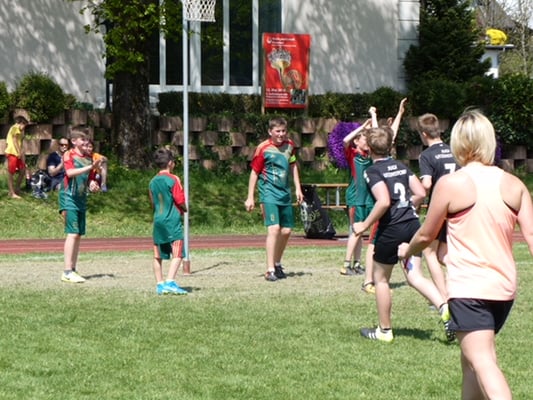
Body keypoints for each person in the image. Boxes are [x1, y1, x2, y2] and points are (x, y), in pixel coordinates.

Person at [398, 110, 533, 399]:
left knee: (482, 362)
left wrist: (406, 250)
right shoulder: (515, 185)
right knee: (471, 362)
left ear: (458, 142)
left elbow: (426, 235)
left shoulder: (451, 184)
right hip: (503, 290)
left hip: (470, 289)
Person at [353, 126, 452, 342]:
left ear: (369, 148)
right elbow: (421, 192)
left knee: (380, 279)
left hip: (391, 229)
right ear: (390, 146)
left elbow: (383, 201)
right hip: (412, 225)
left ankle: (384, 331)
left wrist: (364, 225)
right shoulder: (400, 166)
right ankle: (444, 308)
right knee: (415, 276)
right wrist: (407, 206)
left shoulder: (372, 171)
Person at [245, 117, 304, 281]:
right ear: (270, 131)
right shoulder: (263, 148)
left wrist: (298, 188)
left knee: (286, 231)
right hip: (268, 193)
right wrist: (250, 197)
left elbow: (293, 166)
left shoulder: (290, 145)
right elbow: (254, 172)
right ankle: (270, 269)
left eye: (283, 131)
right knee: (274, 229)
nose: (281, 134)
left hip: (284, 193)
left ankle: (277, 263)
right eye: (277, 131)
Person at [416, 113, 459, 299]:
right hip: (459, 207)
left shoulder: (427, 155)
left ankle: (443, 298)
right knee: (444, 255)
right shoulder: (455, 151)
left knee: (429, 252)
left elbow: (426, 184)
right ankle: (458, 289)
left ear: (424, 134)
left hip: (440, 209)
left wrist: (416, 197)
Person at [59, 127, 103, 283]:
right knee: (72, 233)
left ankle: (73, 269)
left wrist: (93, 184)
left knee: (78, 234)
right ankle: (67, 271)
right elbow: (70, 173)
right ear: (74, 141)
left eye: (87, 139)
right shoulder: (68, 154)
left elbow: (89, 178)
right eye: (82, 139)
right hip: (68, 197)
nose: (86, 142)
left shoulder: (89, 157)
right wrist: (91, 167)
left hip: (81, 198)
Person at [148, 148, 188, 295]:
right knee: (178, 252)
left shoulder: (152, 181)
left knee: (157, 254)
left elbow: (152, 202)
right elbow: (179, 199)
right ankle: (170, 281)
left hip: (158, 219)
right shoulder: (173, 179)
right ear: (170, 163)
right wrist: (185, 209)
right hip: (171, 220)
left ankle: (160, 284)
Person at [341, 119, 372, 277]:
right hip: (355, 198)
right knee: (356, 230)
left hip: (365, 198)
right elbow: (345, 140)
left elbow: (383, 142)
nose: (368, 143)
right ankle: (346, 265)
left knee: (361, 231)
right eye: (365, 140)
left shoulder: (370, 155)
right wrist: (363, 127)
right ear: (357, 141)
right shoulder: (352, 154)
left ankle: (357, 263)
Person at [5, 115, 29, 198]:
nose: (24, 128)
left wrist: (21, 154)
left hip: (17, 154)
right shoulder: (15, 128)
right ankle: (11, 192)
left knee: (23, 170)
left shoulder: (18, 130)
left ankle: (16, 189)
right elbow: (14, 140)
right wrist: (19, 152)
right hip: (13, 153)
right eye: (25, 125)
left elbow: (19, 143)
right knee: (11, 173)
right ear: (21, 123)